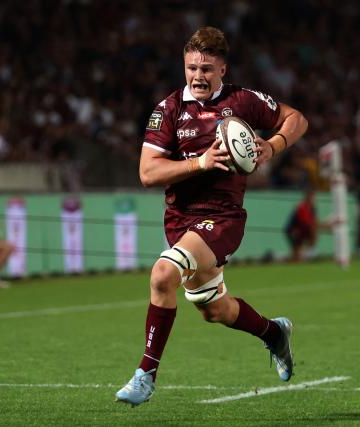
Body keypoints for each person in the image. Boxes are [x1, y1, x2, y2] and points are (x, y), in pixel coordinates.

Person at [115, 27, 308, 406]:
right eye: (191, 67)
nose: (198, 76)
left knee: (162, 274)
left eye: (206, 68)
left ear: (223, 69)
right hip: (181, 221)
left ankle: (146, 374)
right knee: (215, 310)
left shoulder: (244, 100)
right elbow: (148, 173)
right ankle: (274, 334)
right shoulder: (168, 110)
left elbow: (296, 119)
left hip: (223, 218)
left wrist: (273, 144)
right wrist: (199, 163)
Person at [285, 189, 332, 262]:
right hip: (293, 231)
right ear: (307, 198)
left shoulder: (313, 208)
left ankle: (309, 252)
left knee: (297, 256)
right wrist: (325, 226)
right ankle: (306, 254)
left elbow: (314, 222)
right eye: (312, 197)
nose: (314, 200)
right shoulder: (302, 207)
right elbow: (308, 223)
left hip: (302, 230)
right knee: (296, 257)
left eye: (314, 197)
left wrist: (324, 226)